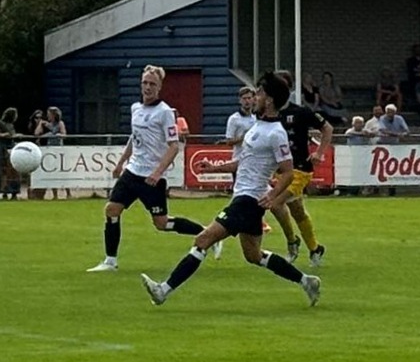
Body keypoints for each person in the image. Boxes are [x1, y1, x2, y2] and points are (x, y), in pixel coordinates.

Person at [140, 72, 321, 307]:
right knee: (253, 255)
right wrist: (215, 168)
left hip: (248, 200)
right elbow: (245, 162)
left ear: (270, 100)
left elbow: (287, 171)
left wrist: (272, 196)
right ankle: (307, 281)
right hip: (245, 198)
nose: (254, 97)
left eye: (259, 93)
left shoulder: (276, 133)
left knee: (203, 239)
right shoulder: (258, 127)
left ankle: (163, 290)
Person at [86, 66, 205, 272]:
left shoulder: (165, 112)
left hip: (152, 178)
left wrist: (157, 173)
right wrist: (121, 162)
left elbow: (174, 145)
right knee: (112, 209)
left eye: (152, 84)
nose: (148, 87)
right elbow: (134, 138)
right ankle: (110, 261)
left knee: (161, 223)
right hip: (133, 172)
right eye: (145, 83)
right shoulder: (136, 108)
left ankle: (205, 233)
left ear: (159, 87)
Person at [276, 80, 334, 268]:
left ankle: (292, 242)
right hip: (281, 170)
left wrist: (319, 152)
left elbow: (327, 128)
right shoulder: (268, 114)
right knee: (297, 211)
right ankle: (315, 249)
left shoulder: (300, 112)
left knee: (276, 203)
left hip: (300, 169)